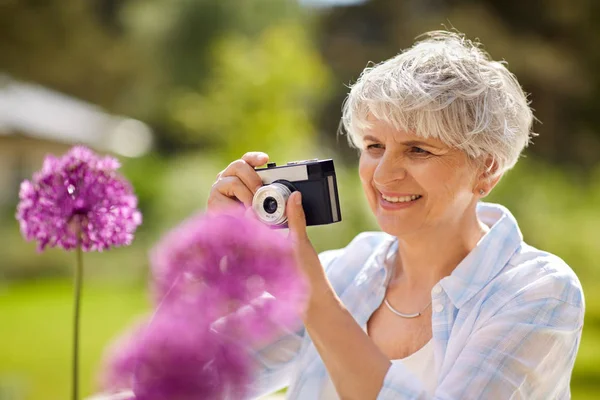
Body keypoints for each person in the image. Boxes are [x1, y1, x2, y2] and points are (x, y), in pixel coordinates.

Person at [208, 30, 584, 399]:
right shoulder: (344, 270)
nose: (384, 175)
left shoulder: (538, 292)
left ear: (487, 168)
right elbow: (189, 379)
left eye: (418, 149)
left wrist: (314, 300)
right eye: (374, 145)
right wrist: (211, 256)